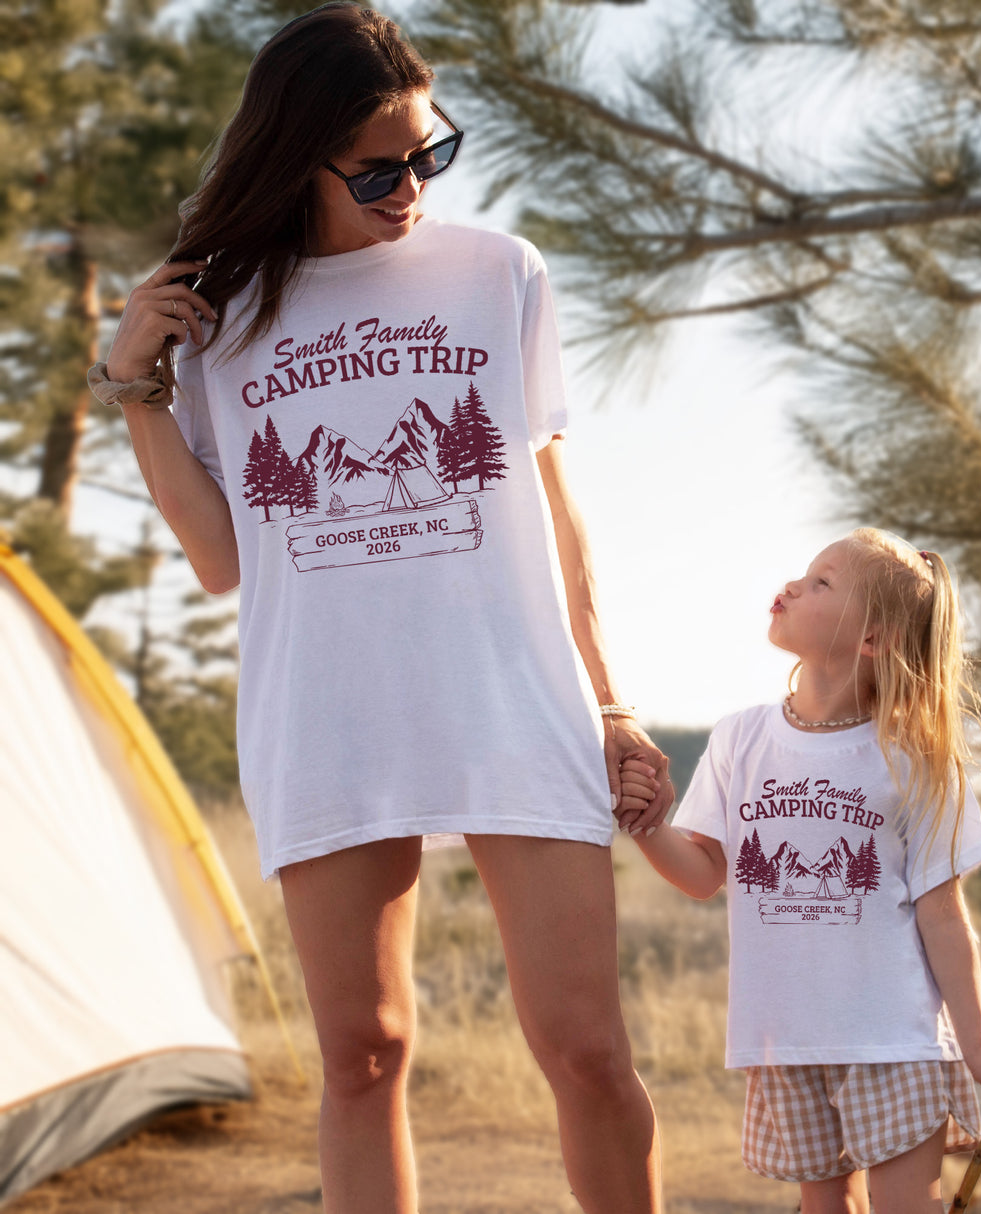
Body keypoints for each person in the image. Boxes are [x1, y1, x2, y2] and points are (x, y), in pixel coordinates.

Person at [87, 5, 673, 1211]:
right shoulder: (225, 321)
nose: (410, 188)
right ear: (295, 157)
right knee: (361, 1055)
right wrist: (136, 383)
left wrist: (611, 701)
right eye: (376, 168)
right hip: (327, 712)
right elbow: (220, 558)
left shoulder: (497, 274)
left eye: (430, 153)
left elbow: (557, 517)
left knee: (586, 1049)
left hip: (512, 697)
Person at [620, 528, 981, 1214]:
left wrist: (978, 1045)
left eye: (822, 583)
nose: (792, 586)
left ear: (871, 639)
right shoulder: (739, 738)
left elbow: (942, 917)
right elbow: (703, 874)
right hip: (784, 1040)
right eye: (803, 574)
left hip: (893, 1038)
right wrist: (646, 822)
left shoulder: (915, 758)